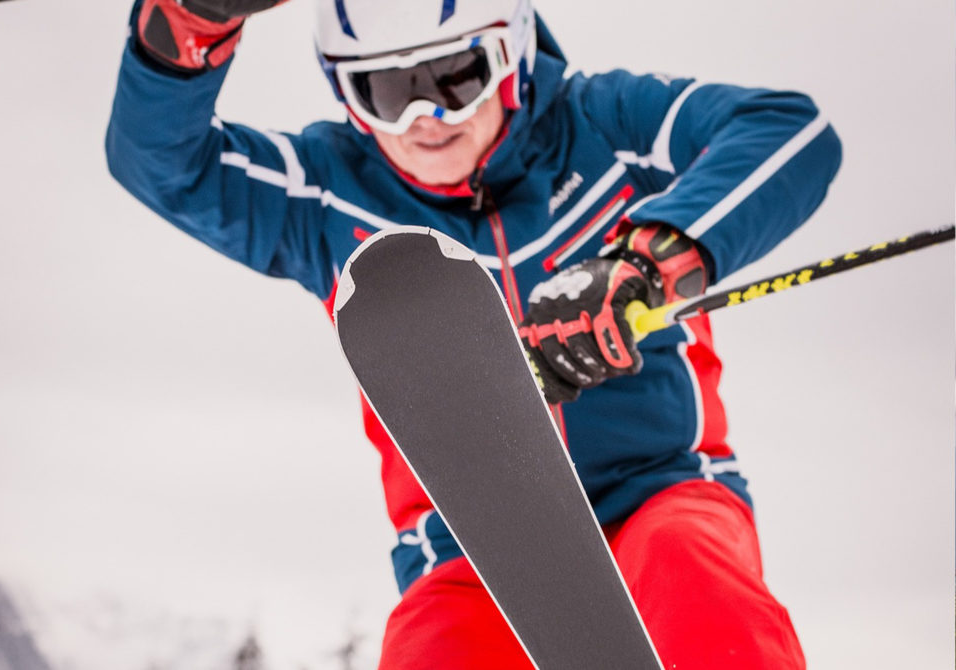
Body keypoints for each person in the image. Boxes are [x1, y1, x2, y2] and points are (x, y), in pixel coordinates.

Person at [106, 0, 842, 667]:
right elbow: (164, 166)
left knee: (693, 581)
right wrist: (188, 21)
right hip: (463, 544)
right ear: (345, 95)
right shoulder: (327, 192)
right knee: (436, 647)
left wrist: (647, 261)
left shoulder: (604, 125)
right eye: (386, 94)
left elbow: (787, 131)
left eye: (457, 76)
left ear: (513, 53)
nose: (425, 115)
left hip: (660, 489)